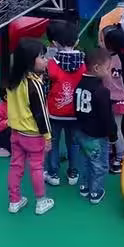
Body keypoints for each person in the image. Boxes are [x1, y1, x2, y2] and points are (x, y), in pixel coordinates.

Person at [6, 38, 54, 215]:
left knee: (15, 166)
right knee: (36, 167)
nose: (46, 60)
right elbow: (41, 114)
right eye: (42, 57)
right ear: (29, 60)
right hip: (33, 135)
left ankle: (14, 201)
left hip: (16, 132)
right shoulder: (34, 85)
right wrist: (47, 137)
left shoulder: (12, 79)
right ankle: (41, 201)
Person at [73, 48, 117, 204]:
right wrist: (113, 134)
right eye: (108, 68)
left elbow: (76, 109)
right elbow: (107, 117)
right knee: (99, 165)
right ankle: (95, 192)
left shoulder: (79, 85)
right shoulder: (102, 91)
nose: (109, 72)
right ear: (97, 68)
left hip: (81, 131)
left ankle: (85, 186)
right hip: (96, 135)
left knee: (85, 160)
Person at [44, 21, 86, 186]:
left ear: (54, 43)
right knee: (74, 143)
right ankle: (73, 172)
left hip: (54, 112)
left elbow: (45, 87)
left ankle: (53, 174)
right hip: (76, 112)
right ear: (77, 41)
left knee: (53, 142)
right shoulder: (84, 63)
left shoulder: (51, 64)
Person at [102, 25, 124, 174]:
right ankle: (115, 157)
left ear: (108, 43)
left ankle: (117, 157)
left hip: (111, 99)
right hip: (116, 98)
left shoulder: (106, 59)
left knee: (112, 128)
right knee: (114, 128)